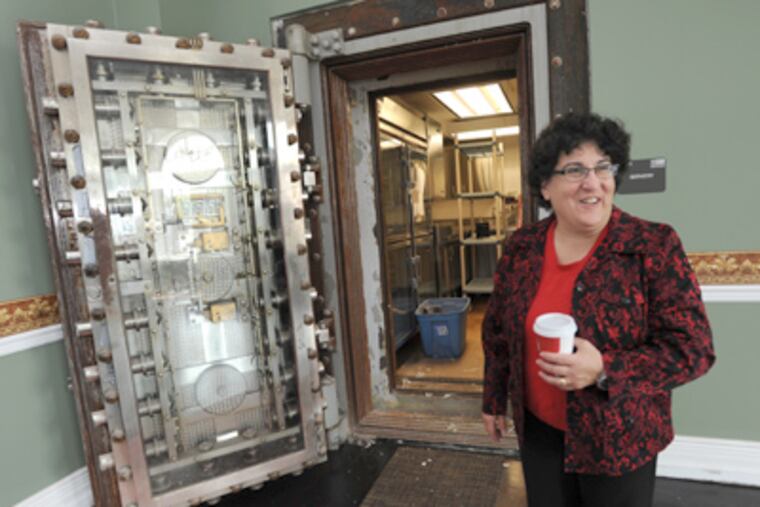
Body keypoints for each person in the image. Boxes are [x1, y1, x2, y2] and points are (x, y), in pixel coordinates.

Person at [480, 112, 715, 507]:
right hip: (539, 433)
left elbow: (693, 349)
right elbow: (498, 331)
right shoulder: (522, 248)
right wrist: (493, 397)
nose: (592, 183)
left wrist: (606, 368)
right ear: (546, 186)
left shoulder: (652, 245)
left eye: (602, 167)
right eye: (574, 170)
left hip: (620, 439)